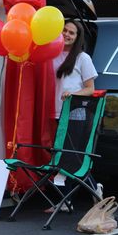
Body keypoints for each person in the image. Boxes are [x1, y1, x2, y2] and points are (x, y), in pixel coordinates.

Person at [45, 19, 103, 213]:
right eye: (64, 30)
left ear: (78, 38)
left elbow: (90, 89)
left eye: (72, 32)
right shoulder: (51, 54)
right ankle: (66, 202)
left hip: (75, 115)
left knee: (73, 159)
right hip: (55, 113)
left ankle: (95, 190)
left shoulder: (82, 58)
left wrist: (73, 95)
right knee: (61, 159)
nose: (67, 35)